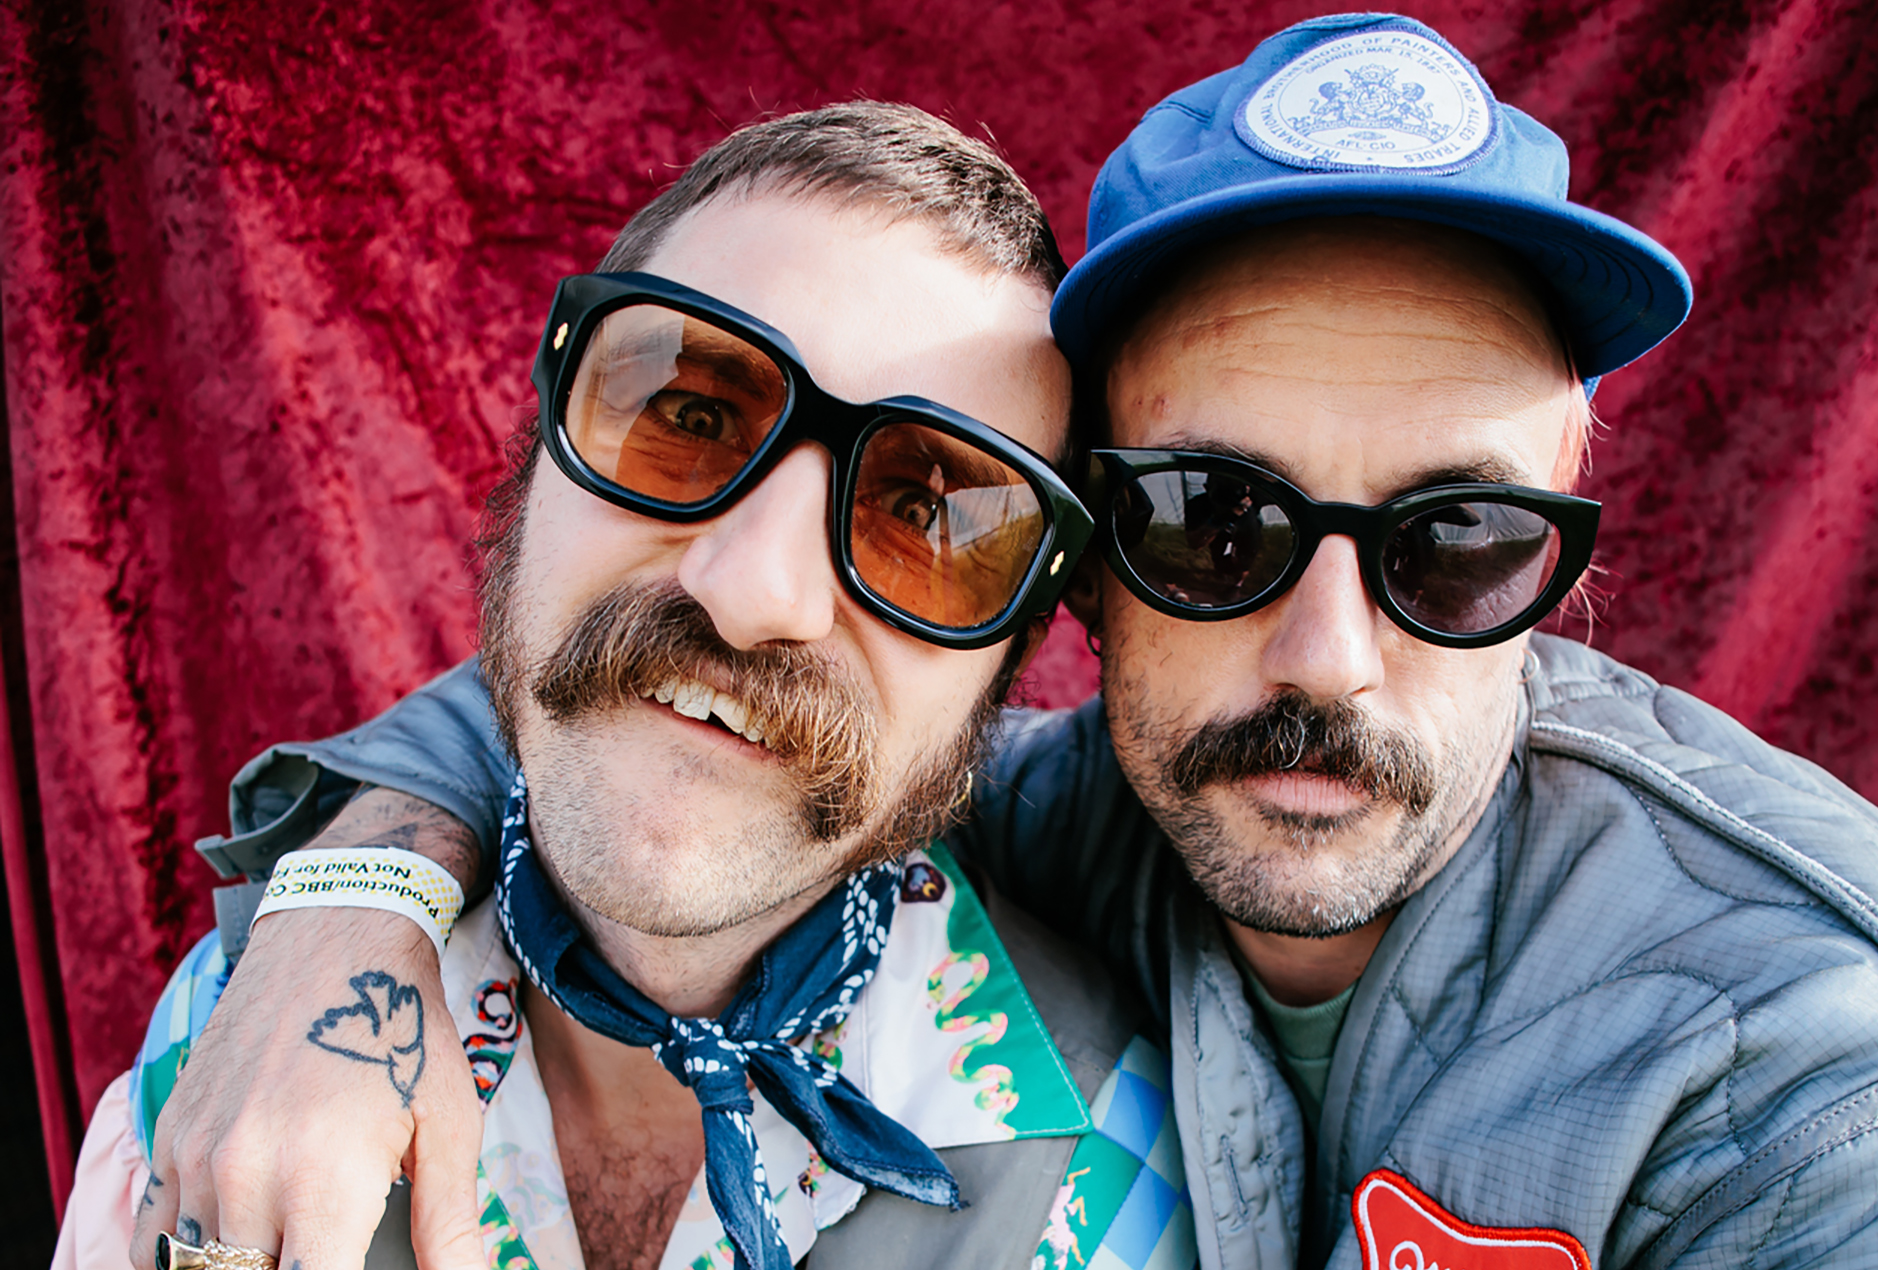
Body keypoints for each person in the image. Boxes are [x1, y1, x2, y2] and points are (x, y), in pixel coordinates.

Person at [104, 12, 1878, 1270]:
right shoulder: (1045, 804)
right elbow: (665, 694)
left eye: (1459, 543)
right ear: (1072, 593)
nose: (1327, 655)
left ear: (1561, 583)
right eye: (1214, 525)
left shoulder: (1825, 1068)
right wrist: (354, 892)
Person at [56, 103, 1200, 1270]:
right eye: (688, 417)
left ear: (1009, 669)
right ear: (532, 449)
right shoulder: (243, 1025)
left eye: (922, 516)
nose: (755, 590)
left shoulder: (1104, 1179)